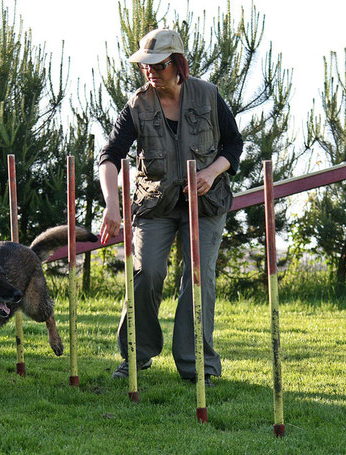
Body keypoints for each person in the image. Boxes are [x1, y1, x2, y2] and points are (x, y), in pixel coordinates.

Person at [98, 28, 243, 386]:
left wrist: (211, 172)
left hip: (206, 203)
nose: (151, 73)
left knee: (197, 279)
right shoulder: (137, 104)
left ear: (177, 64)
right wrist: (112, 206)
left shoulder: (208, 96)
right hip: (154, 205)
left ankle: (197, 366)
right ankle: (135, 355)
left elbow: (234, 145)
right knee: (146, 273)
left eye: (158, 66)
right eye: (145, 67)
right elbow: (110, 156)